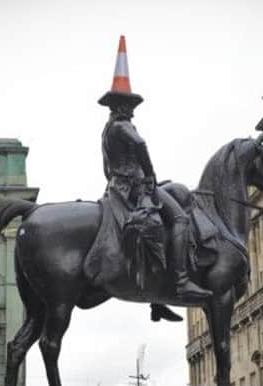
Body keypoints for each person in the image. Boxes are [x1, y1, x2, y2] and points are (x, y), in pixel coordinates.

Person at [98, 38, 212, 303]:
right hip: (135, 185)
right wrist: (149, 176)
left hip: (116, 185)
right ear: (120, 105)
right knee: (181, 219)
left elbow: (106, 165)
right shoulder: (122, 126)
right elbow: (140, 144)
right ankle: (181, 282)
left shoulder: (107, 130)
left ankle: (158, 302)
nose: (133, 111)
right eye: (129, 105)